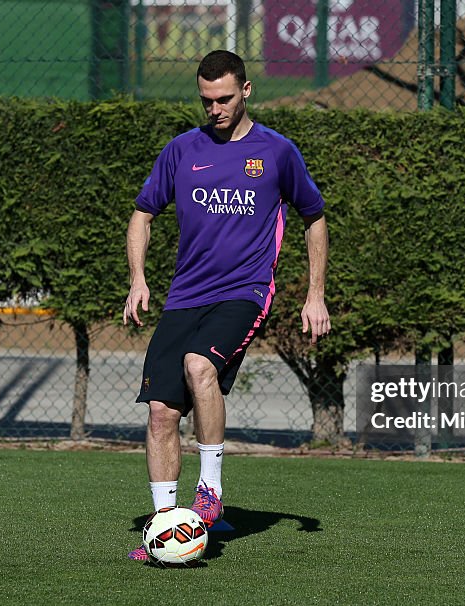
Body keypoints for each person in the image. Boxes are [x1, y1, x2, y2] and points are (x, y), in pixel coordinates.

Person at [123, 50, 330, 561]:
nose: (214, 108)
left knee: (199, 366)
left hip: (245, 291)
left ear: (247, 91)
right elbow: (143, 213)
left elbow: (314, 216)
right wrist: (138, 279)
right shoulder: (181, 150)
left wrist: (315, 293)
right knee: (160, 414)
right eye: (206, 100)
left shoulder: (278, 152)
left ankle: (209, 490)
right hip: (184, 297)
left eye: (224, 98)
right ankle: (165, 527)